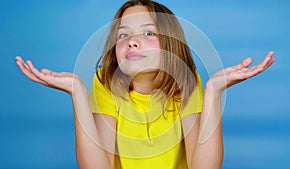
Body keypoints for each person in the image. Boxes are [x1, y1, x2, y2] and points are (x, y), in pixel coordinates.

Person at [15, 0, 276, 168]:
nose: (133, 41)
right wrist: (77, 93)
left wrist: (213, 92)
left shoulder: (187, 82)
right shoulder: (105, 82)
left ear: (170, 44)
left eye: (148, 33)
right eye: (124, 35)